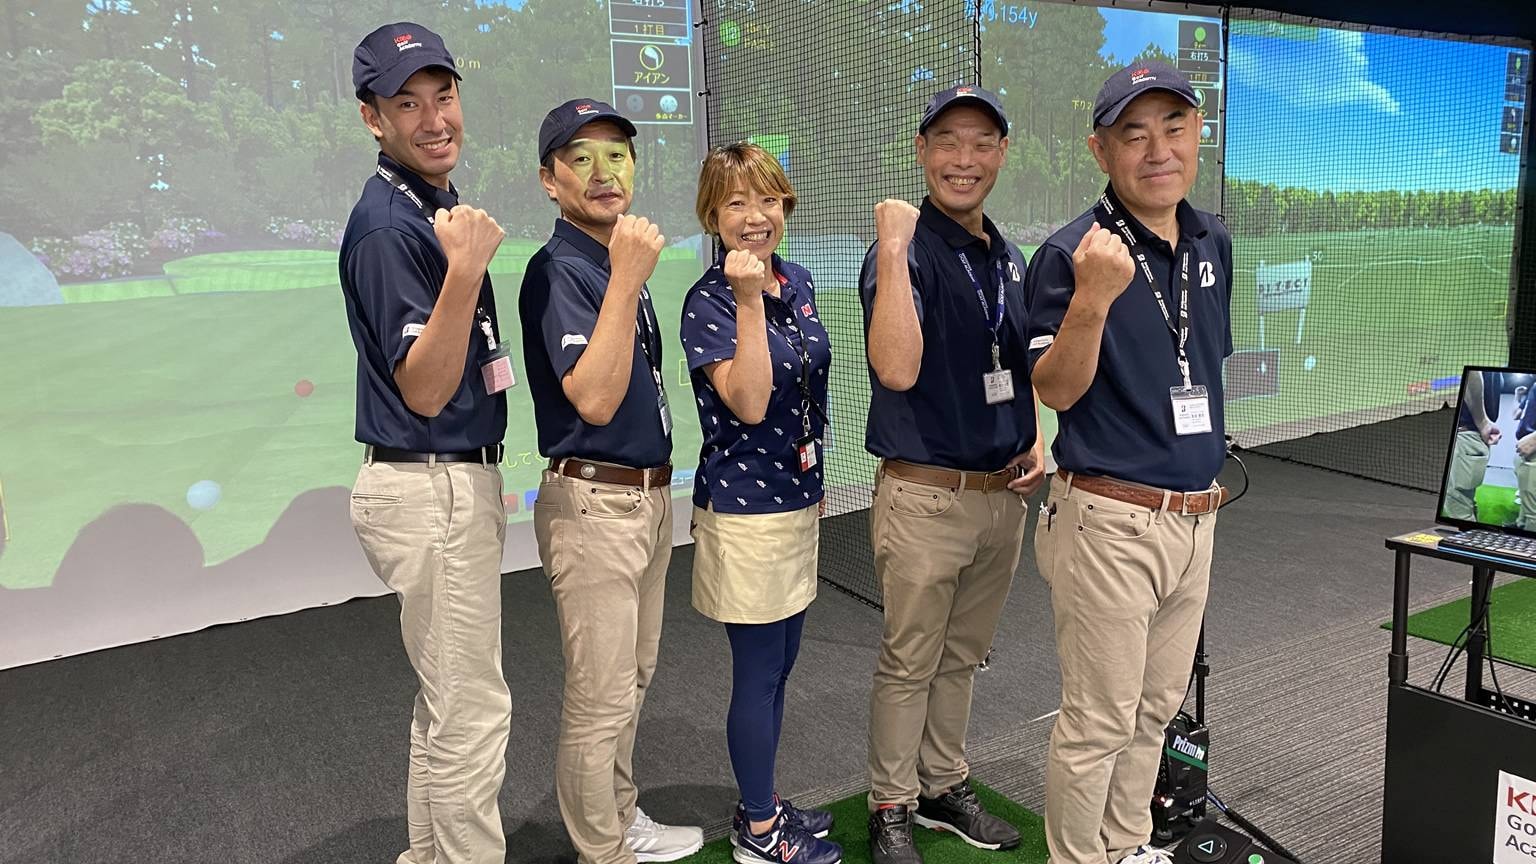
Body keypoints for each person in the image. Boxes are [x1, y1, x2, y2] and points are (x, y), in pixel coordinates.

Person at [1024, 60, 1235, 864]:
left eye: (1174, 128)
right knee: (1100, 720)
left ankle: (1128, 845)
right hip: (1110, 519)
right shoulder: (1071, 253)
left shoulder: (1212, 239)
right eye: (1134, 134)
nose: (1158, 151)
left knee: (1154, 711)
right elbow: (1055, 389)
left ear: (1197, 135)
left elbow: (1200, 363)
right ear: (1100, 150)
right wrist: (1093, 298)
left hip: (1195, 516)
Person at [339, 22, 511, 864]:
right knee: (471, 713)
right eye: (408, 104)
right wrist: (467, 269)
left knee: (448, 706)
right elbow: (426, 387)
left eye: (443, 97)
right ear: (373, 118)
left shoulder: (427, 207)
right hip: (430, 484)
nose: (435, 119)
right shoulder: (389, 227)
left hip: (441, 480)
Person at [860, 84, 1044, 864]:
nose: (963, 159)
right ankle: (890, 803)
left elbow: (1018, 363)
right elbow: (896, 368)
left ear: (1001, 153)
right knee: (911, 660)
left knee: (962, 657)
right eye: (947, 142)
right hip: (926, 496)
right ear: (921, 150)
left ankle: (941, 784)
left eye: (980, 143)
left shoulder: (1009, 256)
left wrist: (1035, 435)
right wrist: (893, 247)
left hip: (1002, 497)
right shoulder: (904, 249)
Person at [518, 97, 704, 864]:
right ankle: (603, 849)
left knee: (631, 679)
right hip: (595, 503)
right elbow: (592, 399)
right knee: (600, 695)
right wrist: (627, 278)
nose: (604, 172)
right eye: (581, 158)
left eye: (618, 155)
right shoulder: (561, 268)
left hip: (644, 498)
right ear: (550, 180)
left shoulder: (612, 260)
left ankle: (620, 820)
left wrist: (625, 275)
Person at [679, 142, 841, 864]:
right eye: (737, 202)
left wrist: (816, 475)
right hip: (746, 512)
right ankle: (758, 831)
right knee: (758, 672)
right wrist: (748, 300)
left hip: (796, 498)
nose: (755, 216)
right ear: (712, 215)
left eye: (768, 199)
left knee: (782, 666)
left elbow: (807, 385)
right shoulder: (711, 300)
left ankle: (764, 801)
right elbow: (748, 401)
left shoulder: (796, 280)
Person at [1443, 370, 1502, 521]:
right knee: (1466, 501)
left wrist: (1482, 422)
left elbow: (1472, 375)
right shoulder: (1495, 367)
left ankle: (1469, 536)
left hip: (1466, 438)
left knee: (1458, 509)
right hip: (1475, 440)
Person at [1513, 382, 1535, 530]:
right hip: (1524, 448)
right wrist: (1517, 396)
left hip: (1533, 448)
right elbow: (1516, 414)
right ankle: (1520, 525)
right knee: (1525, 493)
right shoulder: (1533, 387)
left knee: (1534, 512)